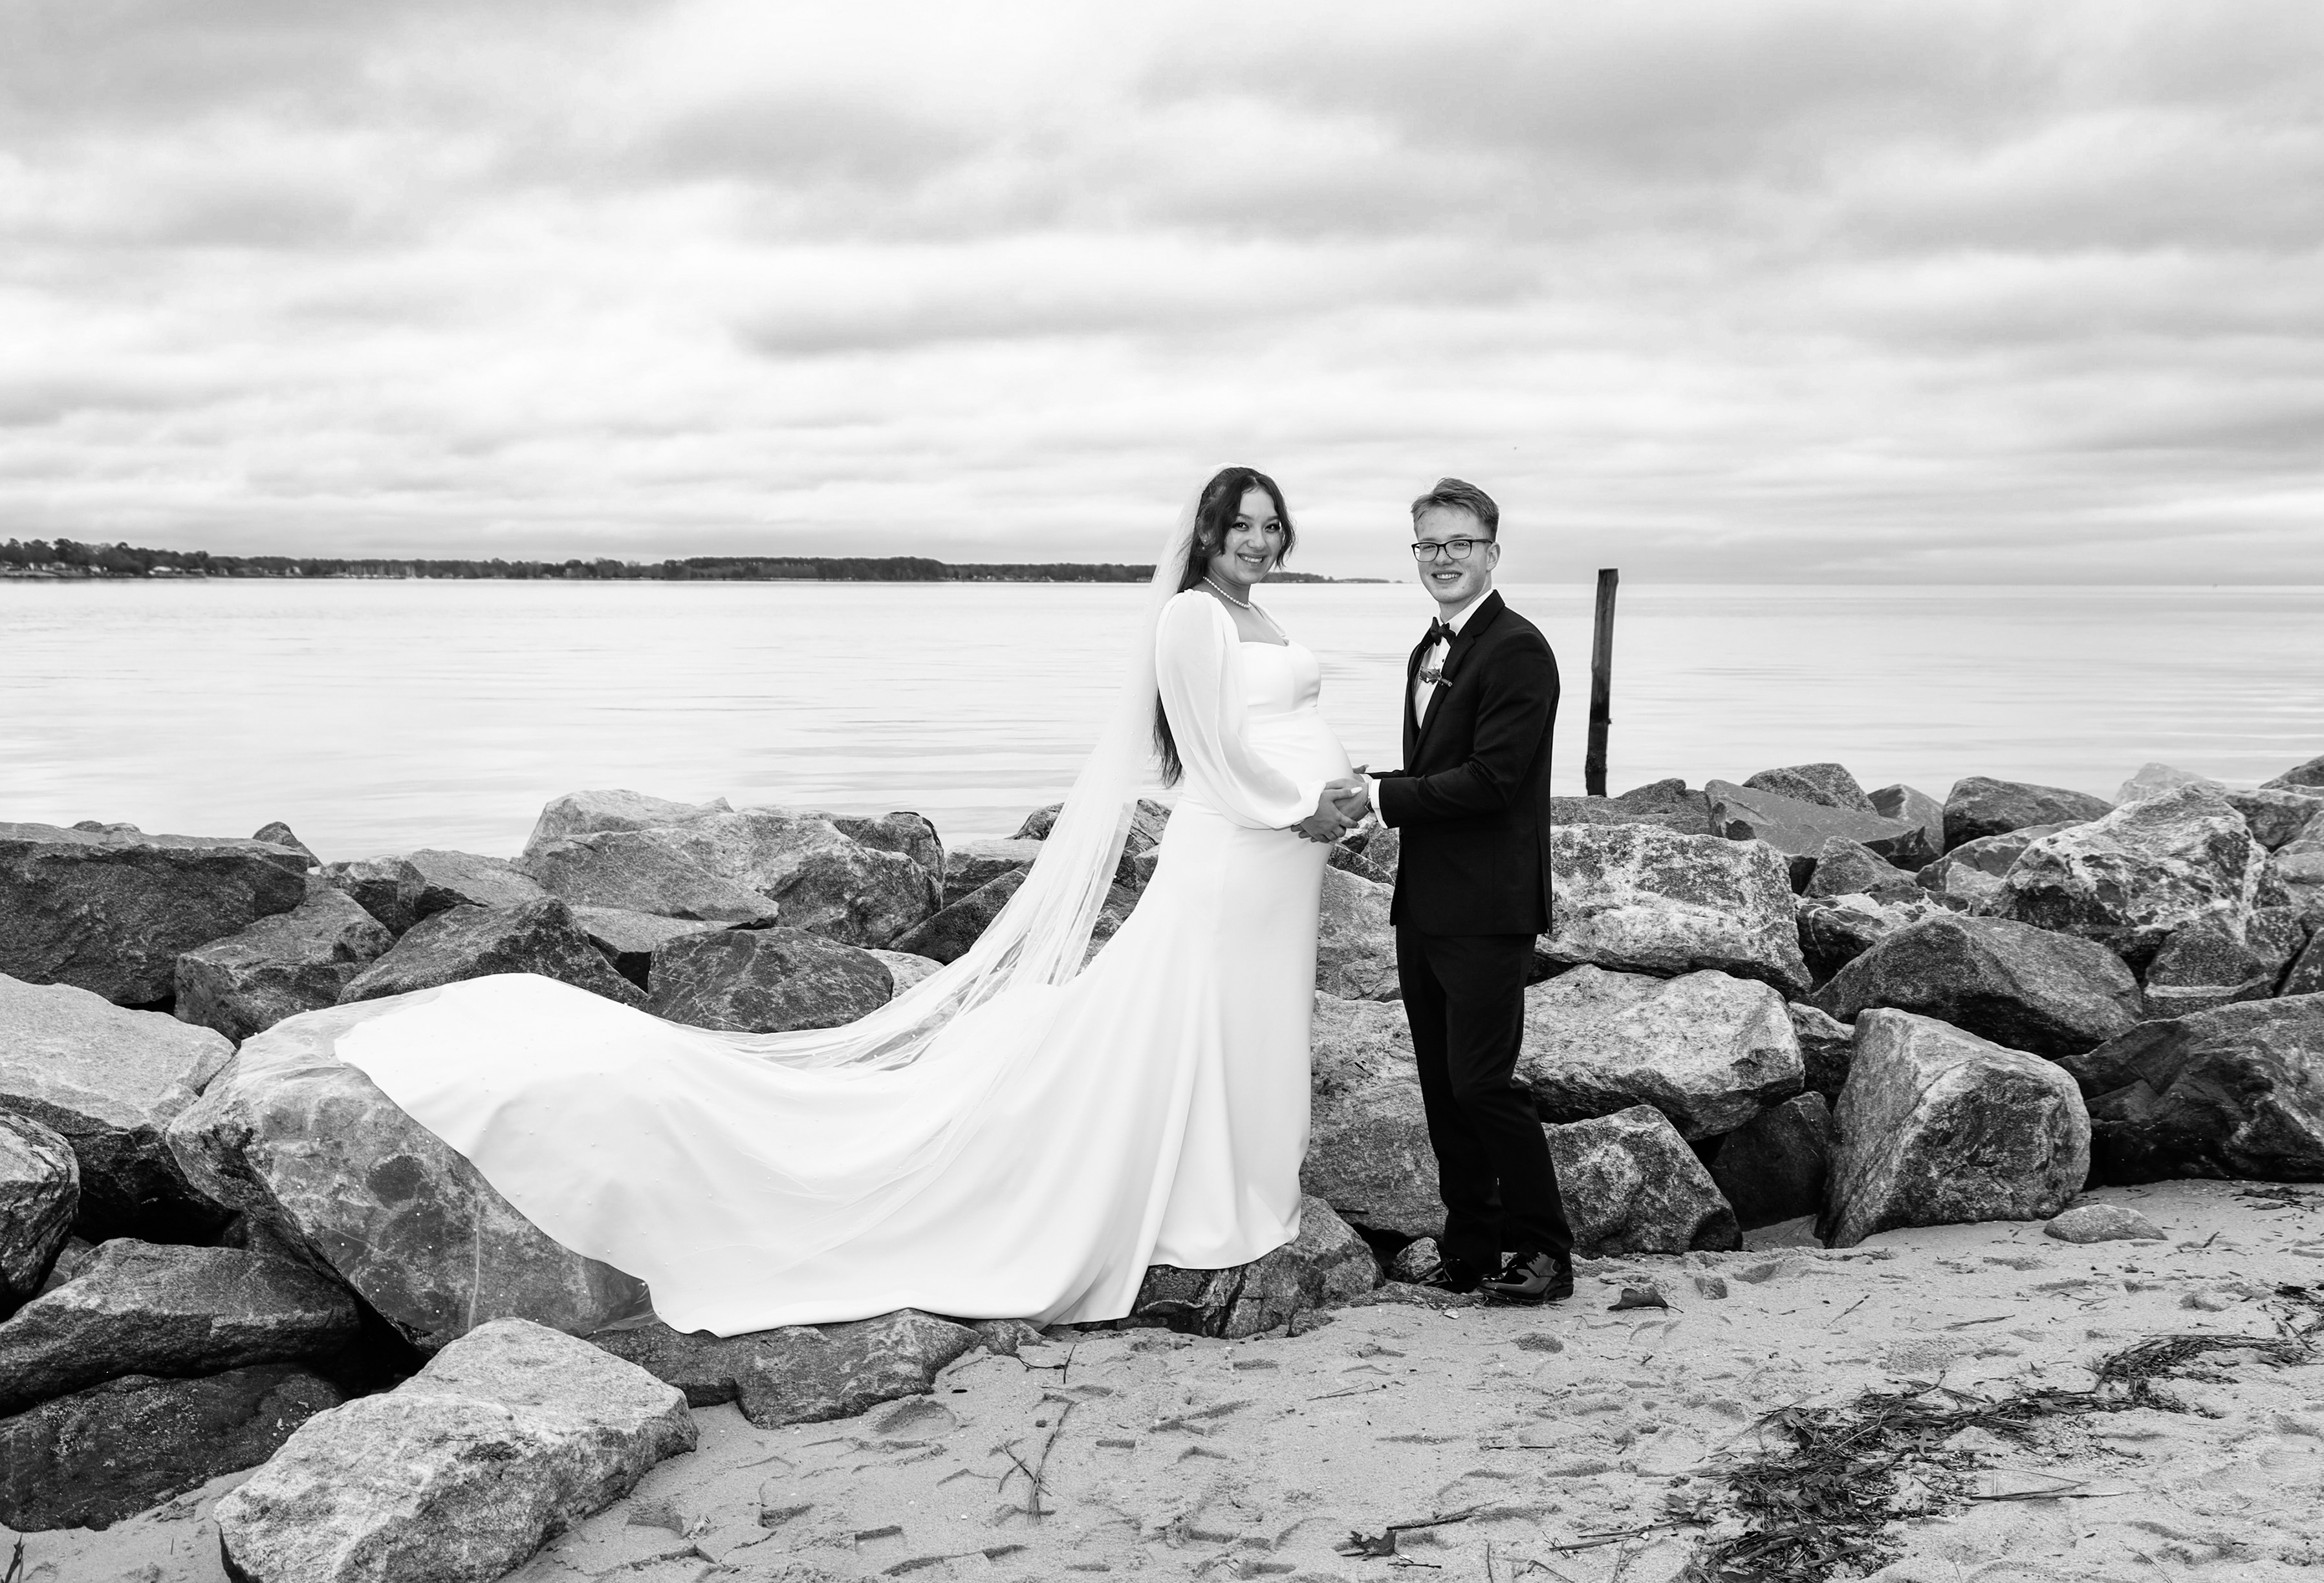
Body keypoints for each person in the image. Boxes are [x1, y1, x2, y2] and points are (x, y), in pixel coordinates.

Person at [332, 467, 1365, 1335]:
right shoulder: (1190, 614)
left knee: (1251, 1015)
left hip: (1280, 857)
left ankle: (1240, 1181)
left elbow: (1269, 727)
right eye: (1242, 526)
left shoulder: (1256, 615)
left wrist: (1347, 789)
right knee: (1194, 1010)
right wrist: (1302, 806)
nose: (1259, 541)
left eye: (1272, 527)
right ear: (1207, 534)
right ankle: (1201, 1193)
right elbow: (1214, 751)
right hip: (1239, 853)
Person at [1319, 478, 1572, 1304]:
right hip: (1425, 901)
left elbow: (1494, 781)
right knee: (1440, 1084)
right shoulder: (1427, 649)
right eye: (1429, 544)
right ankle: (1471, 1246)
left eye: (1460, 542)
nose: (1443, 557)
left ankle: (1546, 1252)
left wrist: (1383, 798)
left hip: (1490, 905)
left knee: (1483, 1083)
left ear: (1492, 552)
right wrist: (1374, 788)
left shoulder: (1519, 649)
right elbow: (1441, 769)